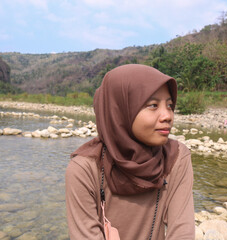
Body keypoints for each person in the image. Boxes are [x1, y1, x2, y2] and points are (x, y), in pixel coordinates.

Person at [65, 64, 194, 240]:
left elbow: (182, 233)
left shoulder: (176, 157)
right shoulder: (84, 169)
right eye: (153, 105)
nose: (168, 116)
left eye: (170, 105)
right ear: (119, 110)